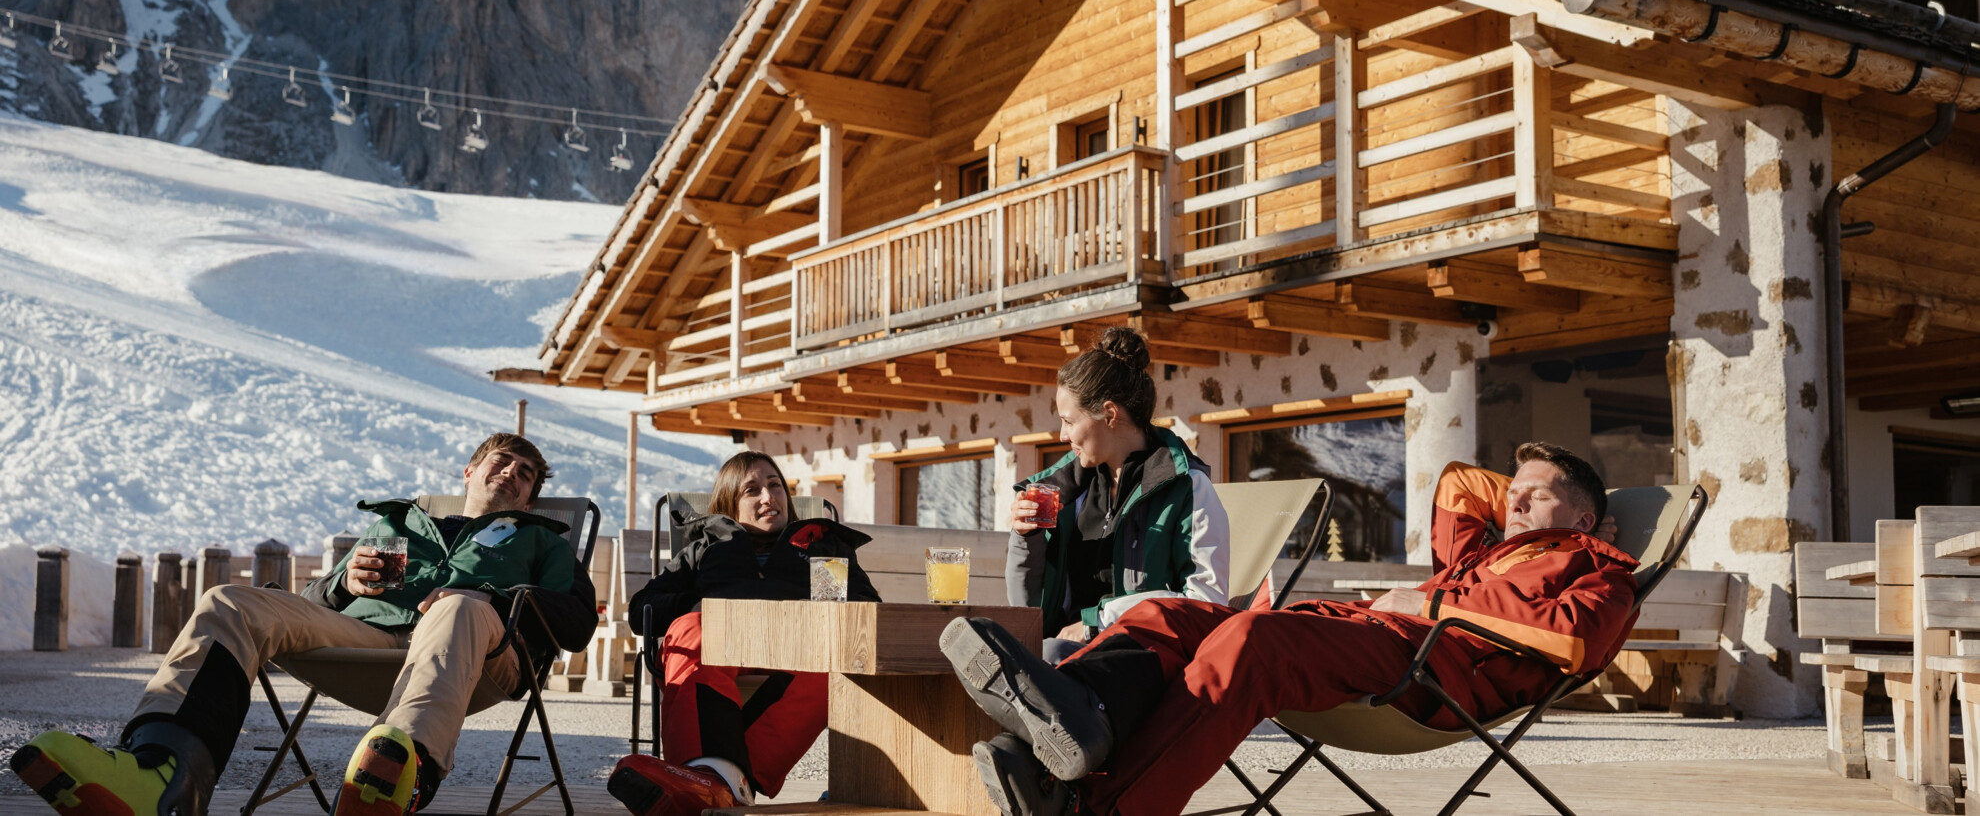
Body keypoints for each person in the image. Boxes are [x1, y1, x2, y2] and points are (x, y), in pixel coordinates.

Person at [944, 442, 1638, 816]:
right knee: (1169, 614)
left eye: (1534, 493)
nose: (1512, 498)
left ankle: (1100, 807)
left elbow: (1572, 643)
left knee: (1251, 642)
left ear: (1581, 518)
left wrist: (1429, 606)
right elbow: (1458, 484)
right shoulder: (1483, 551)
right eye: (1512, 489)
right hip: (1371, 637)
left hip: (1430, 671)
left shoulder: (1599, 569)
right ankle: (1079, 716)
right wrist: (1528, 490)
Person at [8, 433, 596, 816]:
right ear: (470, 469)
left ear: (529, 499)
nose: (513, 474)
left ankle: (400, 781)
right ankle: (160, 777)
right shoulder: (402, 523)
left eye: (526, 475)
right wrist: (347, 583)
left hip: (480, 654)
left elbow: (574, 621)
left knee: (458, 607)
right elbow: (314, 601)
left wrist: (486, 594)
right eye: (503, 462)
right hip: (368, 640)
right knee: (231, 602)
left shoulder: (538, 541)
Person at [609, 451, 879, 816]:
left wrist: (825, 612)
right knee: (689, 628)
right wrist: (703, 609)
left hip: (801, 656)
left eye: (775, 486)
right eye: (752, 490)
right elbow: (644, 608)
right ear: (730, 505)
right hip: (719, 651)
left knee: (840, 660)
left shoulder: (823, 546)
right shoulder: (706, 548)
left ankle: (711, 783)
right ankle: (720, 784)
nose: (769, 497)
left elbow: (870, 611)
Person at [1008, 326, 1230, 662]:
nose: (1061, 435)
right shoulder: (1063, 489)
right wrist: (1026, 540)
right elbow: (1026, 612)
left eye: (1069, 421)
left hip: (1143, 659)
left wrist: (1097, 621)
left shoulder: (1187, 487)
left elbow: (1205, 601)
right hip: (1063, 656)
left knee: (1047, 656)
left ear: (1110, 414)